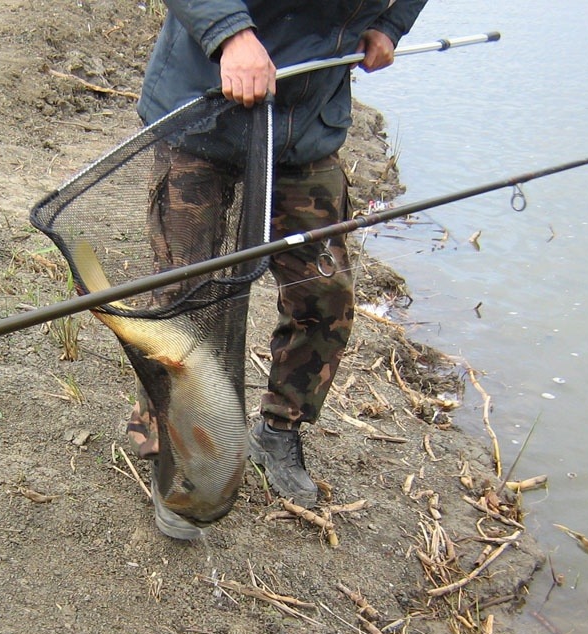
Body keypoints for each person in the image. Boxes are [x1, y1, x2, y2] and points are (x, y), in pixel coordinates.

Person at [128, 1, 426, 532]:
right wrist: (229, 34)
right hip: (203, 106)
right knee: (187, 303)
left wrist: (390, 24)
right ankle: (172, 454)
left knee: (325, 297)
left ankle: (280, 426)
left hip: (306, 123)